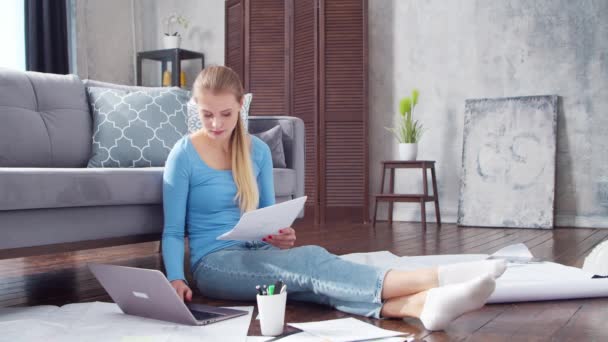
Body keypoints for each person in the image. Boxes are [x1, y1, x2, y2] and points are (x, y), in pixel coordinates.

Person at [162, 65, 507, 331]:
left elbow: (268, 216)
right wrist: (177, 278)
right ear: (197, 109)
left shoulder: (258, 151)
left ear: (240, 106)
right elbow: (174, 232)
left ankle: (418, 306)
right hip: (214, 264)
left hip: (258, 252)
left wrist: (280, 234)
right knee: (310, 262)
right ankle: (440, 277)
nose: (217, 123)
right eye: (207, 114)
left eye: (226, 114)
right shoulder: (184, 155)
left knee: (309, 280)